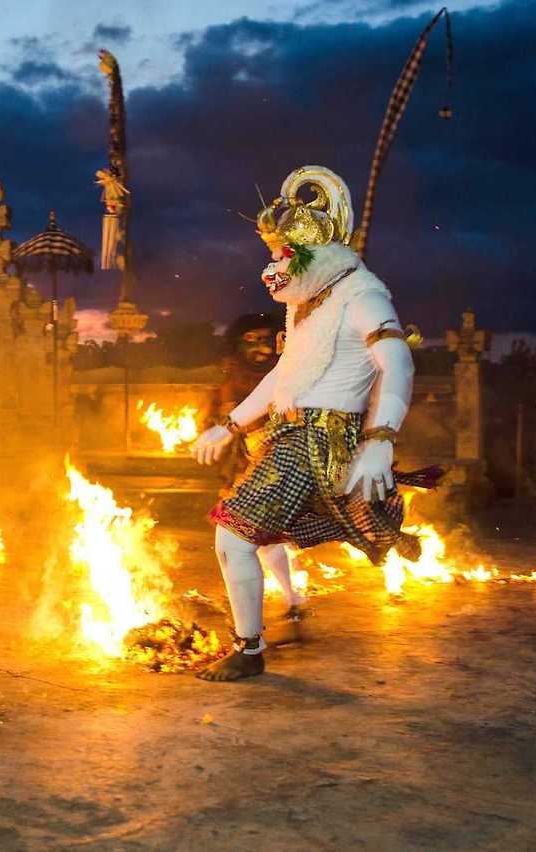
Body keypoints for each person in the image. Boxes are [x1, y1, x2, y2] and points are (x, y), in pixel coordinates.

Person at [191, 166, 425, 682]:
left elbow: (398, 363)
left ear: (309, 253)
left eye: (279, 254)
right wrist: (228, 426)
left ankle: (249, 651)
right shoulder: (307, 304)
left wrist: (382, 440)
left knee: (233, 537)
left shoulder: (362, 295)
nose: (271, 265)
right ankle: (269, 626)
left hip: (320, 442)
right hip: (288, 436)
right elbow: (282, 374)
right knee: (256, 537)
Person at [204, 312, 303, 619]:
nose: (260, 347)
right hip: (249, 467)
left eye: (265, 340)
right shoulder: (231, 381)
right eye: (251, 340)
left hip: (282, 464)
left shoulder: (289, 374)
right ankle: (292, 598)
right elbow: (225, 418)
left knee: (252, 534)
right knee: (254, 536)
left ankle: (288, 600)